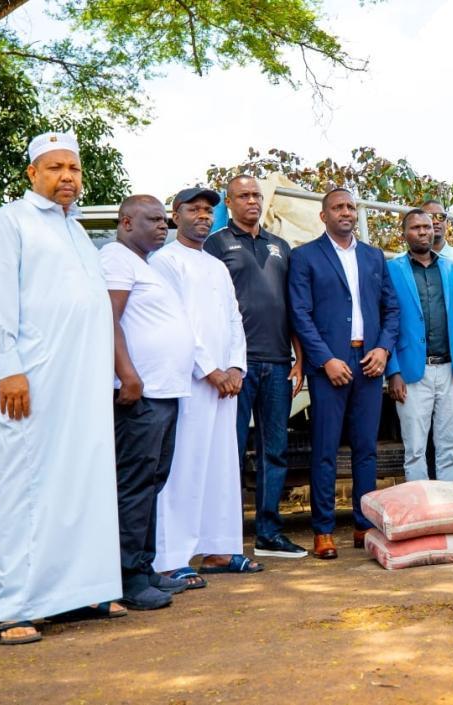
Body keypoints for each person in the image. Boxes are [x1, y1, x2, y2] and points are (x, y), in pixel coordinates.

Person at [0, 132, 124, 644]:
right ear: (32, 174)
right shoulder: (9, 223)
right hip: (34, 379)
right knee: (27, 485)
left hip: (82, 384)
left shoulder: (76, 230)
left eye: (74, 168)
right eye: (55, 167)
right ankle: (14, 607)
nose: (67, 176)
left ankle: (78, 592)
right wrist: (9, 368)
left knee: (84, 480)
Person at [151, 187, 264, 581]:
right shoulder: (164, 262)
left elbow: (234, 318)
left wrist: (235, 367)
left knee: (222, 465)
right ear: (175, 215)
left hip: (225, 384)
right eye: (194, 209)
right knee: (184, 465)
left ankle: (220, 549)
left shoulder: (216, 265)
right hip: (190, 381)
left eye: (207, 211)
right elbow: (176, 322)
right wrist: (210, 370)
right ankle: (172, 558)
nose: (202, 216)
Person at [288, 188, 400, 559]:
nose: (346, 212)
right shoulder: (305, 256)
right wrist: (325, 360)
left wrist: (383, 350)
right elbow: (299, 313)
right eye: (338, 207)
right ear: (324, 216)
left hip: (369, 362)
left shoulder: (373, 256)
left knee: (366, 450)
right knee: (325, 450)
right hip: (330, 366)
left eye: (351, 206)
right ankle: (323, 530)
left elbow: (391, 309)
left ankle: (363, 525)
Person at [100, 194, 197, 609]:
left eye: (164, 221)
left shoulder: (146, 265)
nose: (163, 226)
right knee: (135, 485)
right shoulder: (115, 258)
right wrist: (127, 374)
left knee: (151, 483)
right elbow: (108, 319)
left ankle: (143, 566)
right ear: (126, 223)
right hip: (141, 394)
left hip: (164, 392)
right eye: (153, 220)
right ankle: (126, 578)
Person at [204, 175, 307, 560]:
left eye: (256, 195)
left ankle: (269, 533)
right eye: (243, 196)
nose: (252, 201)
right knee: (229, 451)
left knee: (274, 451)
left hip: (278, 364)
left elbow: (292, 306)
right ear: (229, 203)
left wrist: (300, 358)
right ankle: (224, 537)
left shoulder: (280, 246)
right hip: (235, 367)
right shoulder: (216, 244)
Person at [386, 209, 453, 481]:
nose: (423, 232)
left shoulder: (452, 269)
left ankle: (447, 503)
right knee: (415, 450)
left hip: (451, 371)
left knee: (450, 448)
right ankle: (420, 505)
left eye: (427, 227)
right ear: (404, 234)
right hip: (412, 373)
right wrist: (393, 371)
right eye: (416, 228)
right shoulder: (392, 269)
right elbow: (386, 322)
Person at [422, 200, 453, 265]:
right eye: (429, 217)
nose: (435, 221)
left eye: (440, 217)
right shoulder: (406, 261)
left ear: (447, 222)